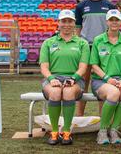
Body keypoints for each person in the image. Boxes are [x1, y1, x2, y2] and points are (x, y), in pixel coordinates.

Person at [39, 10, 90, 145]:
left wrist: (73, 79)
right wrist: (51, 79)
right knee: (55, 92)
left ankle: (67, 131)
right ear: (58, 23)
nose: (67, 24)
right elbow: (44, 67)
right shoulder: (48, 43)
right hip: (52, 78)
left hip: (75, 79)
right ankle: (54, 132)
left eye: (70, 21)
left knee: (68, 92)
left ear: (74, 24)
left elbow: (83, 67)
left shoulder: (82, 43)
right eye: (64, 21)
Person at [74, 0, 116, 116]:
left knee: (102, 83)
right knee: (82, 84)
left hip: (104, 49)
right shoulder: (81, 6)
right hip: (86, 47)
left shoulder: (110, 6)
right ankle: (79, 117)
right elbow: (78, 29)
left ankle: (101, 120)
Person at [90, 9, 121, 145]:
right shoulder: (98, 40)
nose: (114, 22)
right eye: (111, 20)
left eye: (117, 20)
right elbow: (94, 65)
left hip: (120, 79)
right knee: (114, 93)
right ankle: (102, 130)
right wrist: (108, 78)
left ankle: (114, 129)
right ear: (107, 21)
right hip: (101, 80)